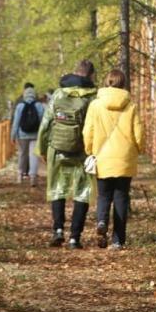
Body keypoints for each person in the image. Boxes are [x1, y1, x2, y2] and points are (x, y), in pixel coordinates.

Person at [36, 60, 98, 249]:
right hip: (83, 151)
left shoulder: (58, 94)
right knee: (82, 192)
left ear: (75, 72)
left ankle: (58, 230)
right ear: (91, 75)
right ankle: (75, 238)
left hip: (58, 148)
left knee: (57, 188)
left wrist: (42, 149)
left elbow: (46, 123)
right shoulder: (92, 97)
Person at [83, 69, 144, 250]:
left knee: (103, 195)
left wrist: (89, 150)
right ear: (123, 83)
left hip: (102, 157)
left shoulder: (95, 105)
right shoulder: (131, 105)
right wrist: (139, 149)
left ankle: (102, 221)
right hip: (125, 157)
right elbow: (139, 133)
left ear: (106, 82)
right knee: (121, 198)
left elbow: (88, 131)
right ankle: (118, 240)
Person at [11, 82, 45, 186]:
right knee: (33, 155)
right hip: (35, 134)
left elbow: (16, 122)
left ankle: (20, 176)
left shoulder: (20, 106)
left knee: (22, 154)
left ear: (24, 94)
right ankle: (33, 178)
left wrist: (13, 135)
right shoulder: (39, 105)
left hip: (22, 135)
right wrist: (44, 135)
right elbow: (43, 121)